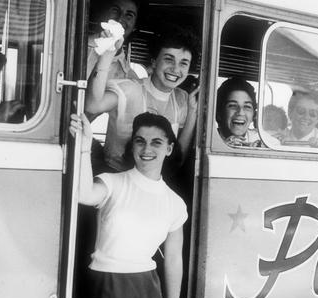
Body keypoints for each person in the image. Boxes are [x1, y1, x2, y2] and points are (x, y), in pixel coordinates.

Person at [70, 112, 187, 298]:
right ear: (132, 145)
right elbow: (84, 194)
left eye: (156, 142)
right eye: (140, 141)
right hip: (103, 289)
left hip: (144, 295)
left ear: (169, 148)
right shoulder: (112, 183)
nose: (147, 148)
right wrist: (83, 147)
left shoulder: (175, 204)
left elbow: (174, 259)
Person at [85, 25, 200, 173]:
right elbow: (92, 106)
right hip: (114, 177)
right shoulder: (130, 89)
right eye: (169, 59)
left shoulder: (183, 100)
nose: (176, 69)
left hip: (155, 183)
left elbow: (178, 159)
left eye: (183, 63)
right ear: (154, 61)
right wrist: (108, 54)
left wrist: (192, 113)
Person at [86, 0, 146, 81]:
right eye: (115, 10)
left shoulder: (128, 75)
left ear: (134, 27)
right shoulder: (80, 47)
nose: (120, 19)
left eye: (129, 15)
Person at [215, 77, 261, 147]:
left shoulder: (260, 139)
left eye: (247, 106)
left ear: (253, 115)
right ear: (219, 113)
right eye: (233, 106)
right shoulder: (208, 138)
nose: (240, 112)